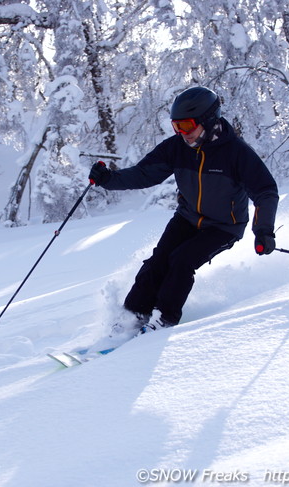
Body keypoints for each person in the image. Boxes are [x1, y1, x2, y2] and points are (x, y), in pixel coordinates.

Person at [88, 86, 279, 335]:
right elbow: (143, 174)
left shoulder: (236, 154)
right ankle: (131, 318)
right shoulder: (176, 148)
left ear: (209, 121)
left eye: (187, 126)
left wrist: (263, 230)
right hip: (187, 218)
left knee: (181, 261)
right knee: (157, 262)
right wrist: (108, 179)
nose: (182, 133)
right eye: (176, 127)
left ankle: (164, 319)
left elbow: (265, 191)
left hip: (223, 226)